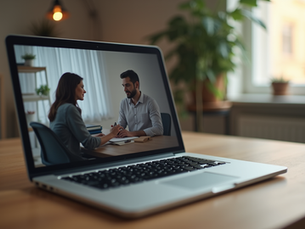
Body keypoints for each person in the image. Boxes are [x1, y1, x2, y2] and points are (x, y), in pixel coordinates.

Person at [48, 72, 122, 160]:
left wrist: (91, 137)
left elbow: (70, 136)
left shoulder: (58, 107)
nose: (85, 91)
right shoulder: (69, 109)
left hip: (60, 160)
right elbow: (89, 144)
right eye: (82, 87)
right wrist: (112, 134)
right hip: (72, 163)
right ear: (72, 88)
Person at [116, 70, 163, 138]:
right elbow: (121, 125)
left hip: (149, 141)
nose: (125, 89)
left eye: (127, 85)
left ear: (136, 84)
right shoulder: (123, 103)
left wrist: (132, 133)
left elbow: (159, 129)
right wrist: (116, 130)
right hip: (132, 142)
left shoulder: (150, 102)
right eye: (123, 86)